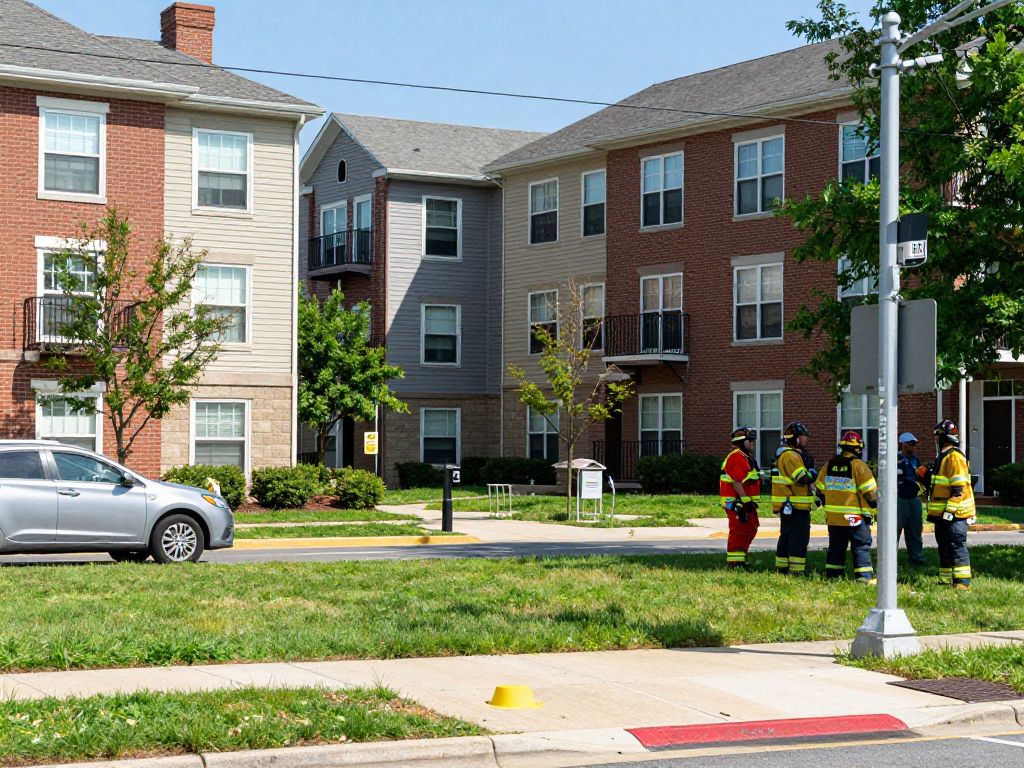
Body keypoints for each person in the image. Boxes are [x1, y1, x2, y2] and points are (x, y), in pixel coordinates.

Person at [816, 431, 878, 583]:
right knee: (861, 546)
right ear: (858, 449)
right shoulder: (859, 467)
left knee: (836, 547)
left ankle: (832, 577)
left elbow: (819, 489)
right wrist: (877, 506)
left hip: (834, 518)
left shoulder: (828, 465)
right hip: (854, 518)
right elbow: (871, 494)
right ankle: (864, 578)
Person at [924, 419, 976, 589]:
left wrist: (949, 513)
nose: (935, 440)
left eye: (937, 436)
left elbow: (958, 490)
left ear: (942, 437)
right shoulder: (943, 456)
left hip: (956, 514)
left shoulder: (954, 457)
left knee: (956, 545)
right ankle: (946, 580)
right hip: (943, 514)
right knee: (944, 547)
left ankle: (962, 583)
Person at [772, 421, 816, 575]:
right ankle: (796, 571)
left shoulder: (787, 454)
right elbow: (802, 478)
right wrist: (813, 473)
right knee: (798, 539)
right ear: (796, 438)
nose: (806, 440)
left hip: (789, 505)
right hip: (795, 505)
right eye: (804, 436)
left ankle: (782, 568)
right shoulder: (791, 455)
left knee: (786, 536)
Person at [720, 426, 761, 568]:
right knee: (739, 532)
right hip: (737, 502)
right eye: (751, 441)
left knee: (750, 528)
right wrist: (744, 500)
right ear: (742, 441)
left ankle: (741, 560)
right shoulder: (737, 456)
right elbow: (736, 481)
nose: (753, 444)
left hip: (743, 501)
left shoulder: (745, 457)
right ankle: (735, 563)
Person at [896, 432, 925, 567]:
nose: (914, 447)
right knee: (895, 530)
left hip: (914, 499)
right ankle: (890, 559)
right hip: (899, 499)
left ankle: (917, 558)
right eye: (911, 444)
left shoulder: (916, 460)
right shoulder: (895, 459)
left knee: (915, 531)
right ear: (903, 444)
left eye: (915, 444)